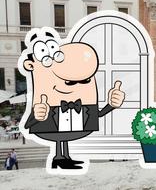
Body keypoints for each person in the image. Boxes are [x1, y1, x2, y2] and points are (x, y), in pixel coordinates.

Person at [21, 28, 125, 171]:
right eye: (70, 82)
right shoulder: (45, 102)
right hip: (52, 122)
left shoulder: (84, 105)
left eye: (85, 81)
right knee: (59, 136)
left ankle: (63, 158)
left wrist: (112, 104)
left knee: (63, 137)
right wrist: (37, 116)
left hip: (73, 124)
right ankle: (59, 158)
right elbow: (28, 125)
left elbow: (98, 114)